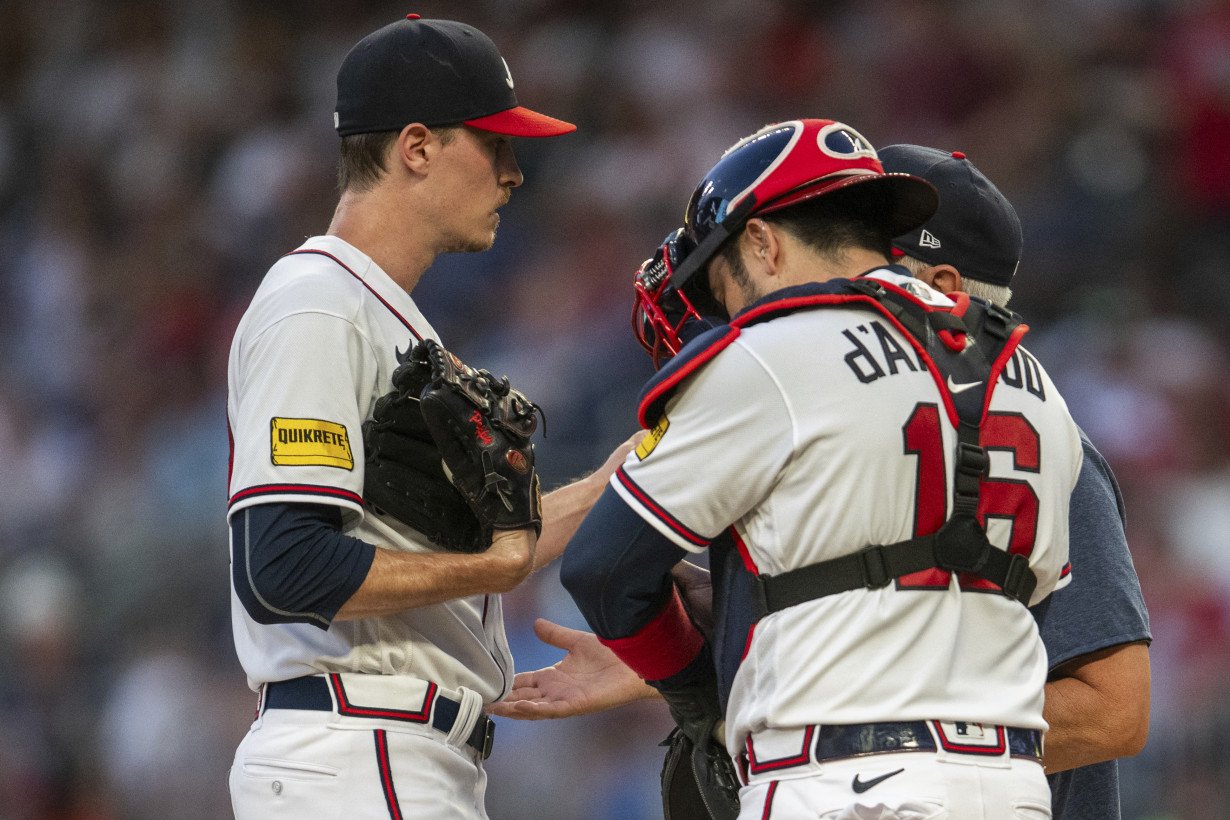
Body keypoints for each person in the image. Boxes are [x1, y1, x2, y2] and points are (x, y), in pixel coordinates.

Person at [494, 144, 1153, 819]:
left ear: (946, 290)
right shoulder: (1036, 401)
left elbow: (1114, 712)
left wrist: (731, 696)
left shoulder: (826, 374)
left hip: (858, 784)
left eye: (870, 246)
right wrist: (715, 647)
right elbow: (909, 610)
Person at [224, 15, 630, 819]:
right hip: (356, 748)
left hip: (389, 753)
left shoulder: (389, 318)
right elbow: (283, 568)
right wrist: (496, 570)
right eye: (493, 145)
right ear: (416, 148)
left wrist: (622, 479)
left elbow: (468, 544)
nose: (514, 173)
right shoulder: (320, 305)